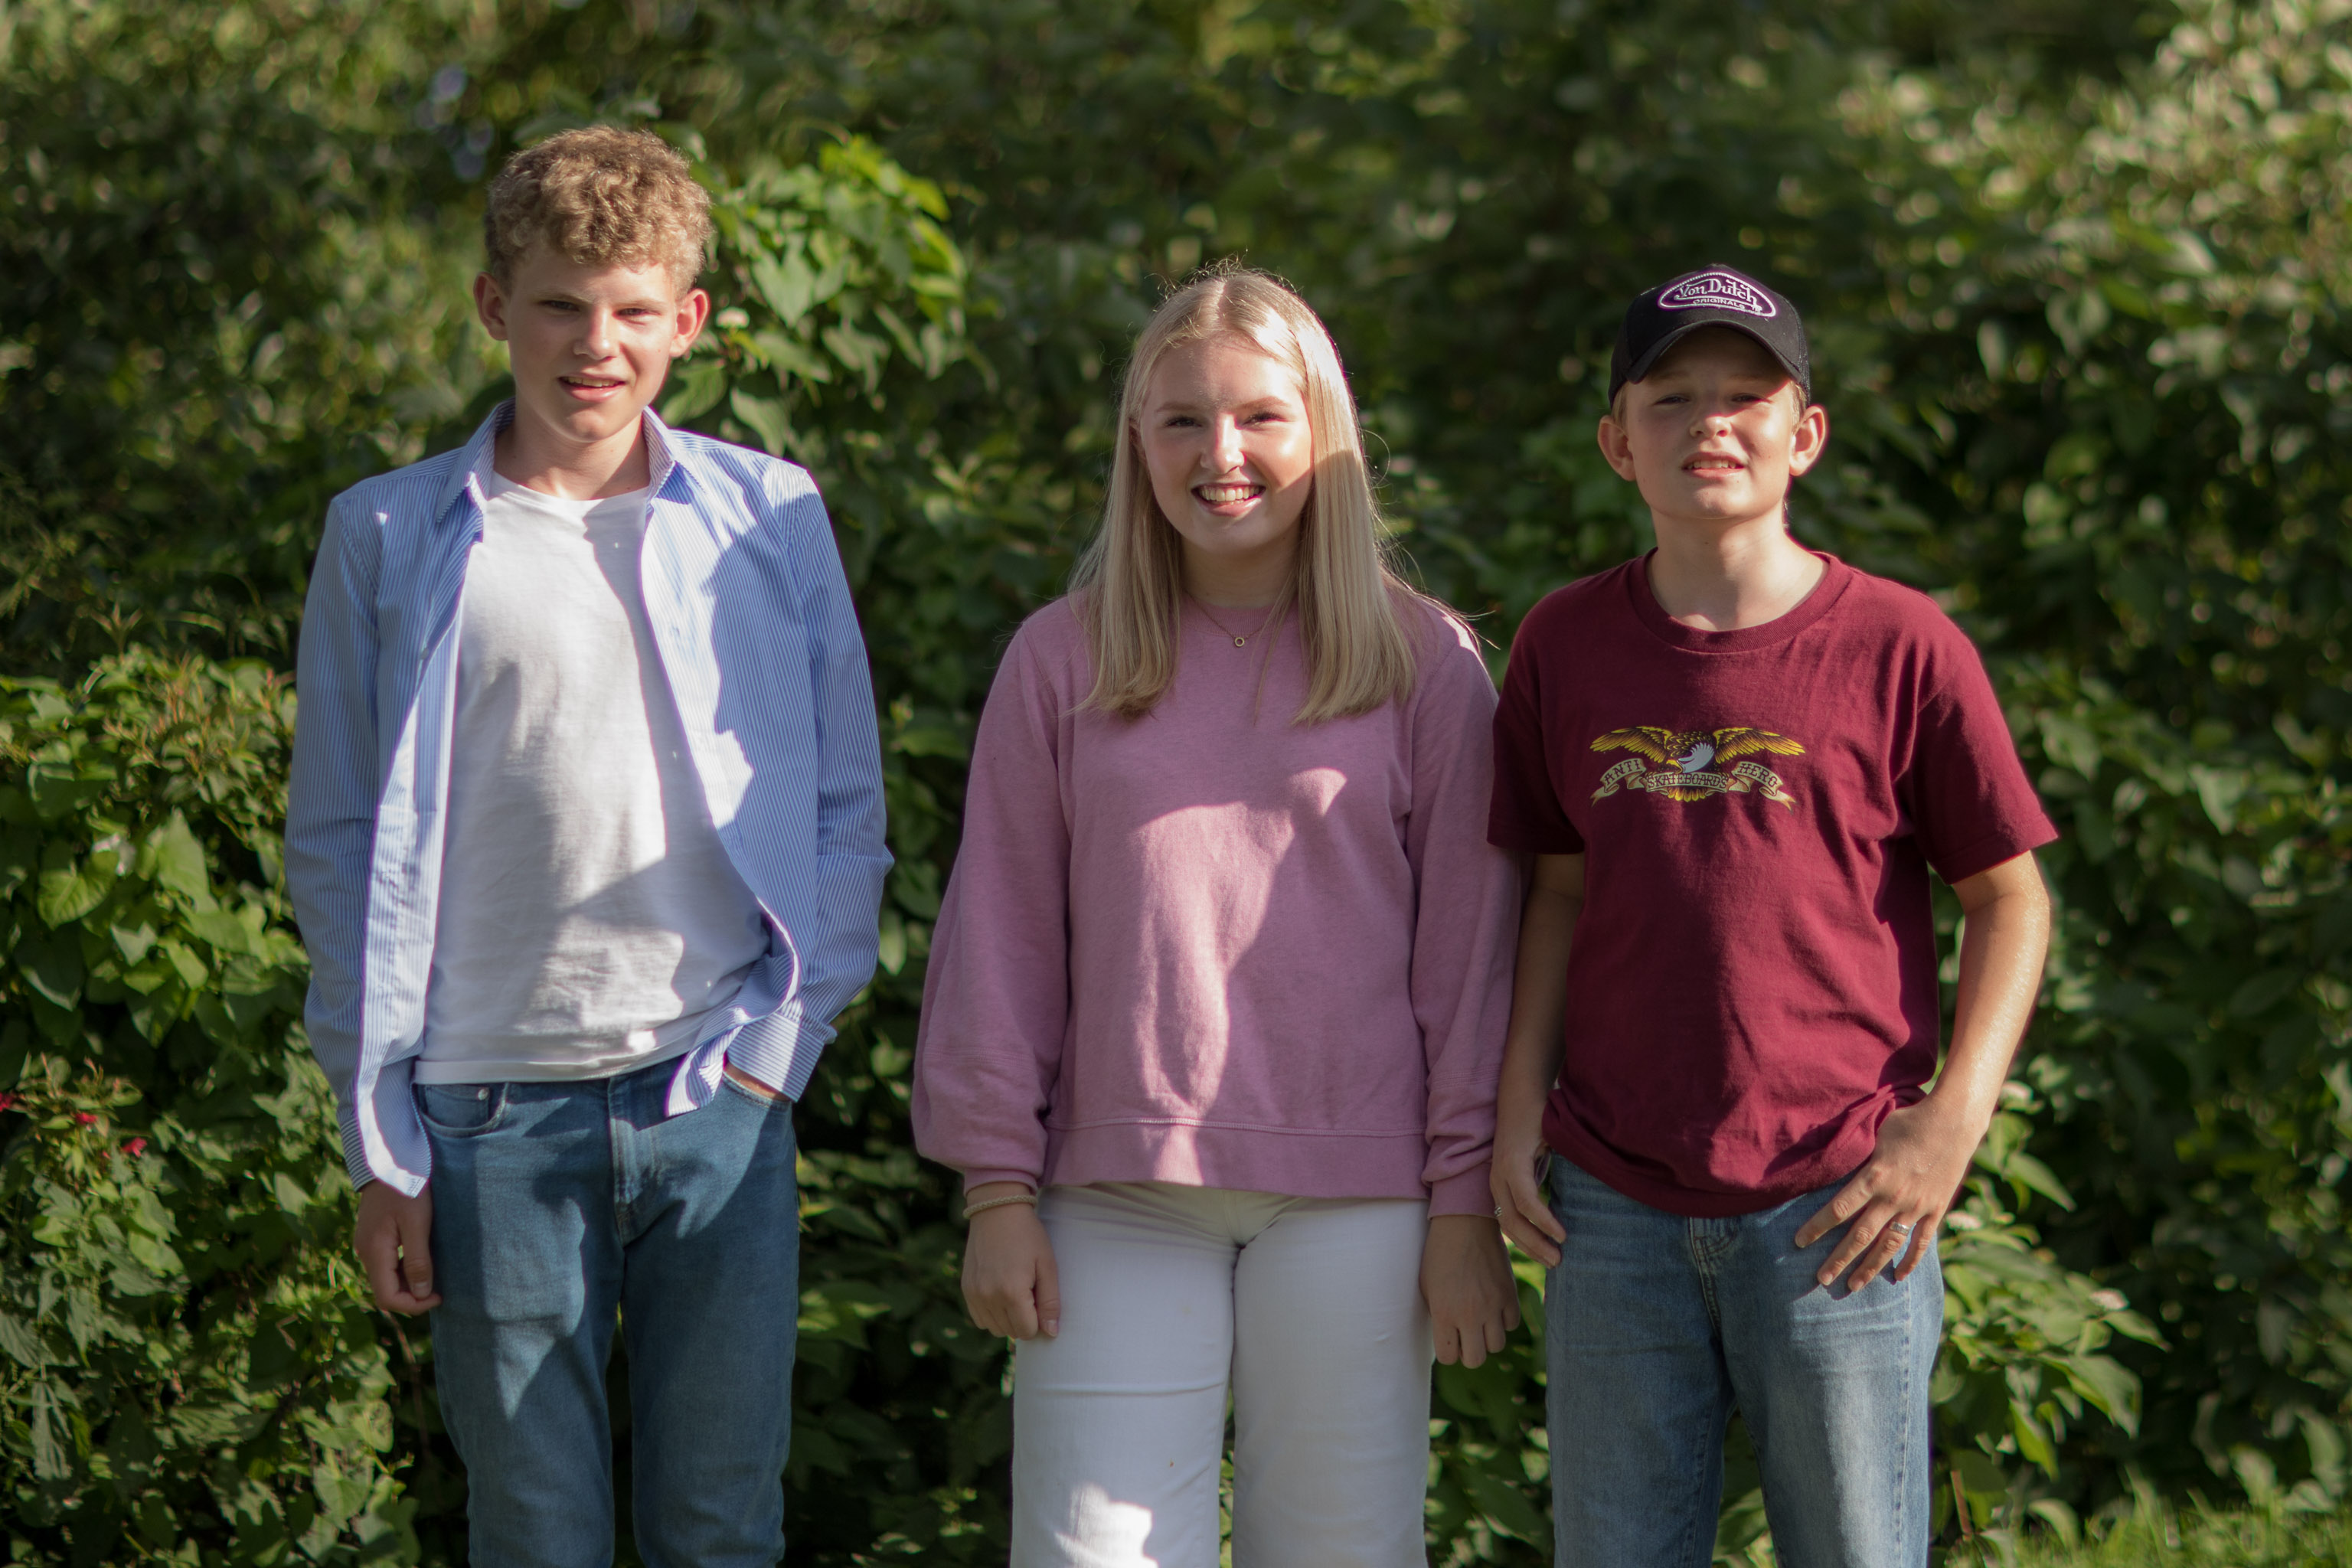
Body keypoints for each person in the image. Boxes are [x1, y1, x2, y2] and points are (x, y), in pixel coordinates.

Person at [285, 126, 889, 1566]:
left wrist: (775, 1053)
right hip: (485, 1108)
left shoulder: (771, 515)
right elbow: (339, 841)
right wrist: (381, 1146)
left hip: (715, 1089)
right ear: (495, 306)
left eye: (631, 310)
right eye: (559, 304)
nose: (594, 344)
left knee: (720, 1528)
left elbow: (843, 805)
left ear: (688, 320)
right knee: (535, 1533)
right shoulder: (387, 534)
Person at [910, 266, 1520, 1568]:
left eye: (1260, 417)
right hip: (1115, 1193)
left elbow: (1473, 965)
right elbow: (1000, 936)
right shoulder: (1061, 659)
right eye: (1183, 419)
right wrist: (994, 1188)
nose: (1221, 453)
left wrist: (1464, 1201)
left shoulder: (1426, 663)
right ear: (1138, 442)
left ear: (1325, 436)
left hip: (1362, 1197)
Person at [1486, 265, 2056, 1567]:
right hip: (1612, 1202)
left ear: (1806, 435)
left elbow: (2010, 897)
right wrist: (1517, 1109)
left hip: (1842, 1201)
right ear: (1616, 442)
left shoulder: (1902, 645)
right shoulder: (1563, 644)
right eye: (1672, 397)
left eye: (1747, 395)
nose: (1711, 423)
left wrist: (1952, 1124)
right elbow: (1555, 888)